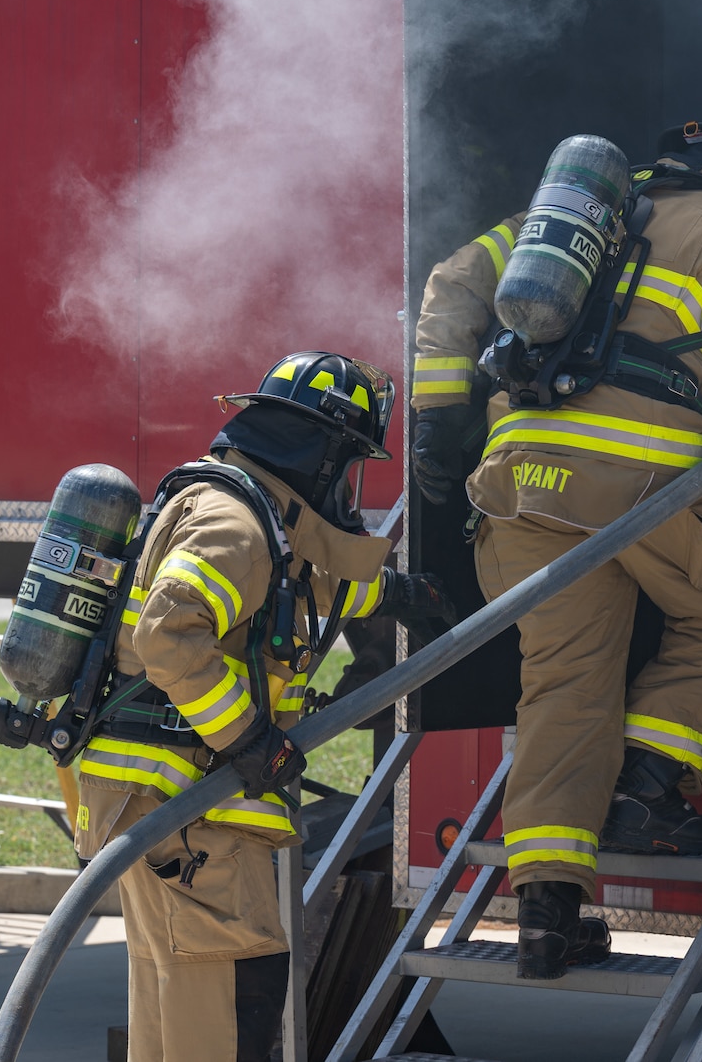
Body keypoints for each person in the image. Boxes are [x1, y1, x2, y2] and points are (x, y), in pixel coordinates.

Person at [411, 120, 702, 979]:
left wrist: (442, 417)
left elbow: (451, 283)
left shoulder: (564, 219)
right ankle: (647, 789)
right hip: (656, 493)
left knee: (565, 683)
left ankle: (547, 914)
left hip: (520, 494)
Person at [74, 352, 454, 1062]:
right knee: (225, 1012)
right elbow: (169, 629)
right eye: (347, 466)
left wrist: (398, 592)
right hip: (189, 812)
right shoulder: (237, 523)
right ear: (321, 453)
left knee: (178, 1012)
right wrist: (247, 736)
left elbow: (294, 591)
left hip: (172, 811)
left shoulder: (258, 518)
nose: (348, 486)